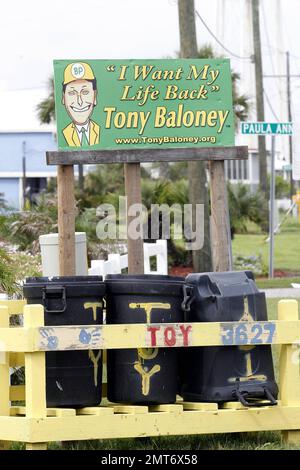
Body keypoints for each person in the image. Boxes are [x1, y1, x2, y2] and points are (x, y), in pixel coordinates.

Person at [62, 62, 100, 147]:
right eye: (72, 93)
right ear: (63, 98)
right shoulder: (65, 133)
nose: (79, 102)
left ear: (95, 96)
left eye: (85, 92)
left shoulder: (100, 130)